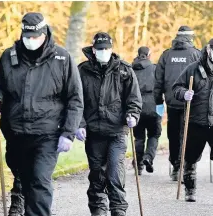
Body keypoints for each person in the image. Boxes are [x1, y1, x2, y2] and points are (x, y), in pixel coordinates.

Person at [0, 12, 83, 216]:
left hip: (48, 133)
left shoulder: (62, 59)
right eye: (27, 37)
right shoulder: (9, 56)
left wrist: (68, 133)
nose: (31, 41)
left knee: (40, 181)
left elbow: (75, 98)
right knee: (26, 181)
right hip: (16, 132)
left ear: (45, 34)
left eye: (35, 37)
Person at [75, 32, 142, 216]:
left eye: (106, 49)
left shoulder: (125, 70)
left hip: (117, 132)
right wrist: (79, 124)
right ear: (93, 50)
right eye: (99, 49)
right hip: (93, 132)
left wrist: (133, 115)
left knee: (114, 174)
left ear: (111, 49)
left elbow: (134, 99)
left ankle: (118, 210)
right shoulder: (82, 71)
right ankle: (98, 209)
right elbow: (76, 102)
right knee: (97, 175)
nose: (103, 51)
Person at [172, 38, 213, 205]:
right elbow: (176, 87)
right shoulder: (193, 69)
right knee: (190, 157)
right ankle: (190, 190)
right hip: (196, 122)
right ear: (208, 51)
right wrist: (183, 94)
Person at [154, 25, 201, 181]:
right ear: (190, 37)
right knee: (190, 135)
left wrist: (158, 101)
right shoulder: (196, 54)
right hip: (191, 103)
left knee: (173, 136)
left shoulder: (166, 56)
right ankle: (188, 165)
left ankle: (176, 166)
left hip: (172, 102)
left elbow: (158, 81)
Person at [131, 46, 162, 175]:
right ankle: (148, 157)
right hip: (153, 105)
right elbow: (161, 87)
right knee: (154, 134)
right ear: (149, 55)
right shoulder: (155, 69)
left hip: (136, 106)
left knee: (138, 137)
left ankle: (138, 164)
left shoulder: (130, 69)